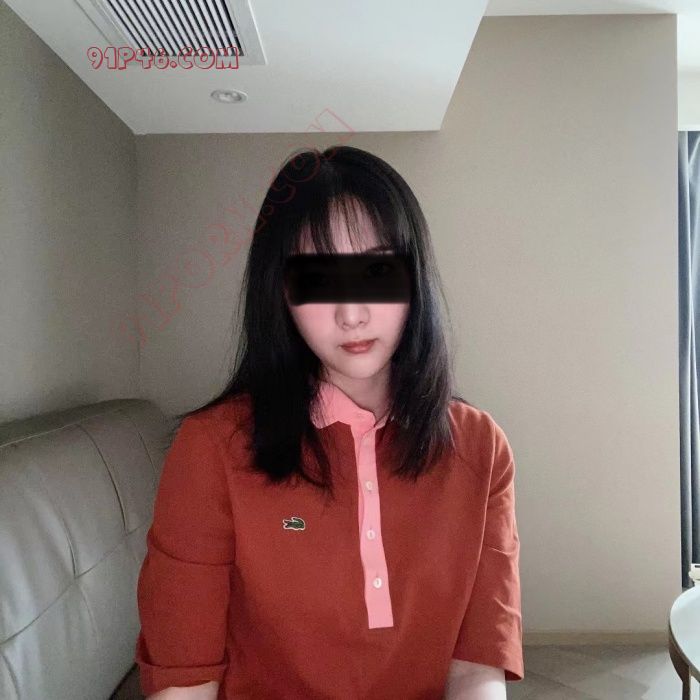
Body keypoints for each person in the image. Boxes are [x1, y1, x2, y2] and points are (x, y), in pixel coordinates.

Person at [134, 145, 523, 699]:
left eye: (377, 269)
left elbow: (476, 667)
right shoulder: (210, 448)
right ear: (281, 292)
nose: (352, 313)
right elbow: (184, 681)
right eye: (317, 278)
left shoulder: (481, 448)